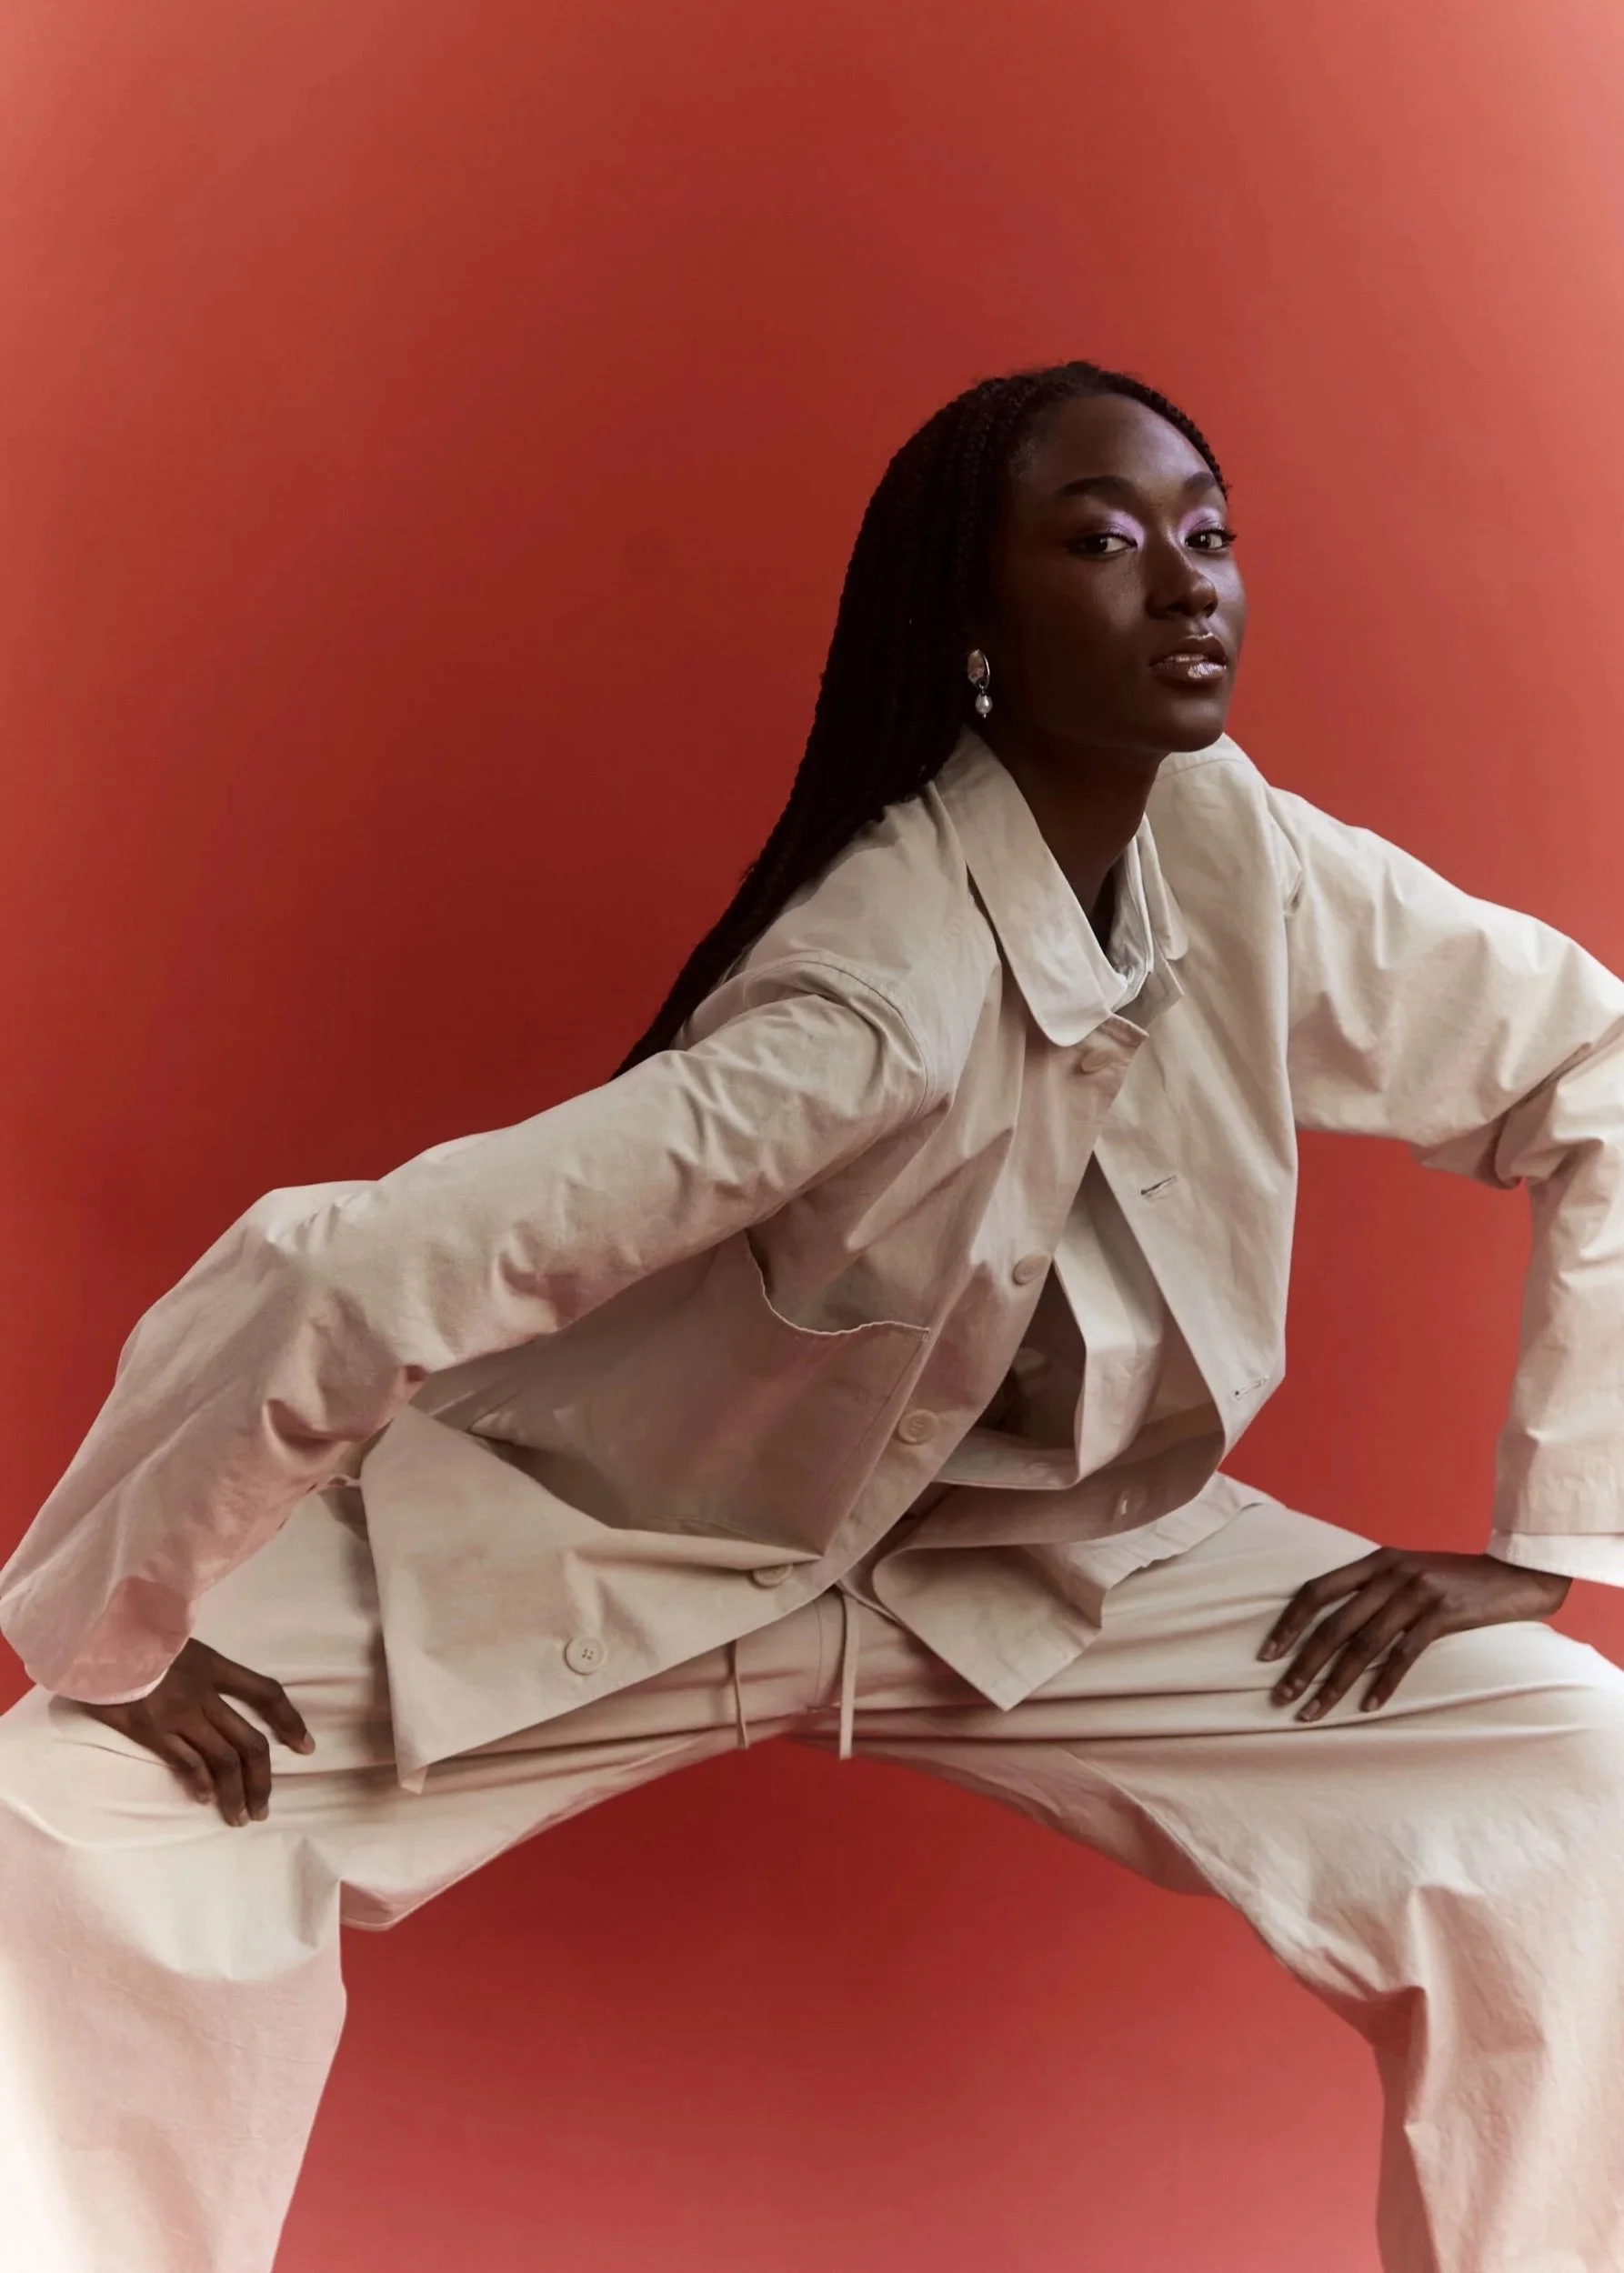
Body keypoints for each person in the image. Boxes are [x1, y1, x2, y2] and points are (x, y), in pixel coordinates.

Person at [1, 359, 1622, 2273]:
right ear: (974, 634)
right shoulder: (876, 991)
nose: (1187, 581)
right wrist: (106, 1612)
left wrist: (1541, 1543)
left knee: (1554, 1763)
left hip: (1056, 1561)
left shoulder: (1231, 848)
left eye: (1206, 534)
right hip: (644, 1543)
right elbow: (332, 1260)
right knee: (79, 1812)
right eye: (1103, 542)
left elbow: (1583, 1060)